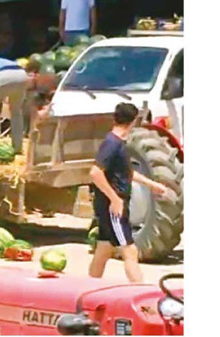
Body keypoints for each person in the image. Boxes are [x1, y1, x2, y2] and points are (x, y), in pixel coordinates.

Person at [87, 103, 168, 283]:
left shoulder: (118, 143)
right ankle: (140, 292)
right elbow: (95, 172)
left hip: (112, 204)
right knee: (129, 251)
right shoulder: (112, 144)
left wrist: (151, 184)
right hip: (114, 206)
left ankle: (87, 287)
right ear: (133, 121)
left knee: (104, 248)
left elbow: (126, 172)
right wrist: (115, 199)